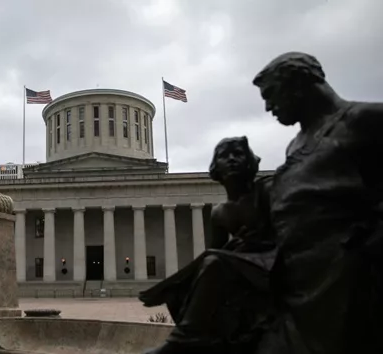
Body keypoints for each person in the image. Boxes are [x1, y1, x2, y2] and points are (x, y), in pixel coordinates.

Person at [252, 52, 383, 354]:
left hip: (340, 280)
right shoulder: (296, 144)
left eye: (271, 95)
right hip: (295, 275)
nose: (269, 107)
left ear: (299, 84)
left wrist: (365, 242)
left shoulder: (362, 121)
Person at [140, 136, 277, 354]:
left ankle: (182, 340)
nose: (231, 160)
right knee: (191, 281)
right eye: (224, 155)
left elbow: (291, 228)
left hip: (274, 262)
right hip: (244, 265)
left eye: (238, 154)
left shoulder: (269, 191)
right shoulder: (220, 212)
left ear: (250, 161)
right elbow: (214, 251)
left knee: (213, 264)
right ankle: (203, 336)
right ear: (216, 168)